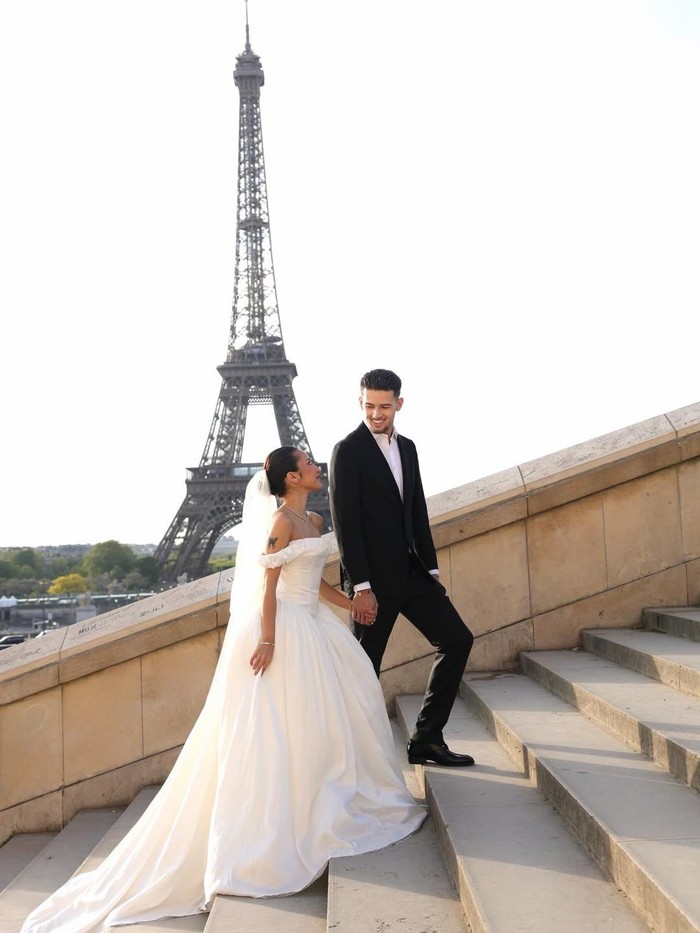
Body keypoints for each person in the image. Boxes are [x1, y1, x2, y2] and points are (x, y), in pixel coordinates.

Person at [21, 447, 425, 933]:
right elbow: (268, 589)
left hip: (314, 625)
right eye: (309, 464)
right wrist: (270, 640)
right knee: (286, 727)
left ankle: (322, 800)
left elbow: (311, 582)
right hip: (286, 631)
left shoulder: (313, 521)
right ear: (293, 477)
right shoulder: (280, 523)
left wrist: (351, 604)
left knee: (320, 722)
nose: (318, 467)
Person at [330, 369, 475, 767]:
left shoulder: (408, 448)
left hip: (413, 574)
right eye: (369, 406)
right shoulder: (347, 450)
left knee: (457, 639)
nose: (377, 414)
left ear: (399, 403)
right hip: (371, 583)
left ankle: (427, 738)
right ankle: (354, 760)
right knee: (363, 670)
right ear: (360, 403)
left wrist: (430, 570)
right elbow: (346, 524)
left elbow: (417, 510)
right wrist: (360, 586)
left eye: (384, 406)